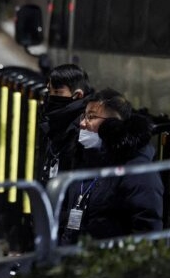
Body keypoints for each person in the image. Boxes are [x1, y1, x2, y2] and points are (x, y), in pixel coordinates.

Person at [59, 88, 164, 245]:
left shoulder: (137, 170)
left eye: (91, 117)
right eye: (84, 116)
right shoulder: (85, 158)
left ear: (114, 124)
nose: (82, 123)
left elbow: (146, 231)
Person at [39, 64, 95, 184]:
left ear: (78, 95)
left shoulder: (86, 129)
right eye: (49, 91)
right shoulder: (54, 123)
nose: (51, 96)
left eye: (57, 92)